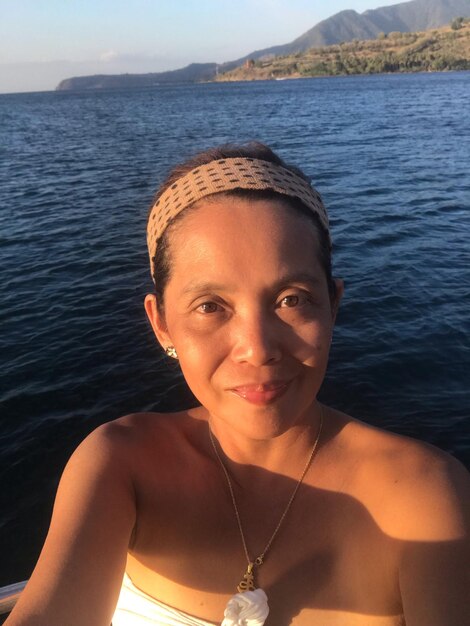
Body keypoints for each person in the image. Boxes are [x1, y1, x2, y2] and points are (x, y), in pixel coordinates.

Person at [6, 143, 470, 626]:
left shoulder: (423, 496)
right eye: (210, 306)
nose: (257, 348)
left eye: (292, 299)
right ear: (161, 323)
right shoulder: (120, 466)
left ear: (333, 304)